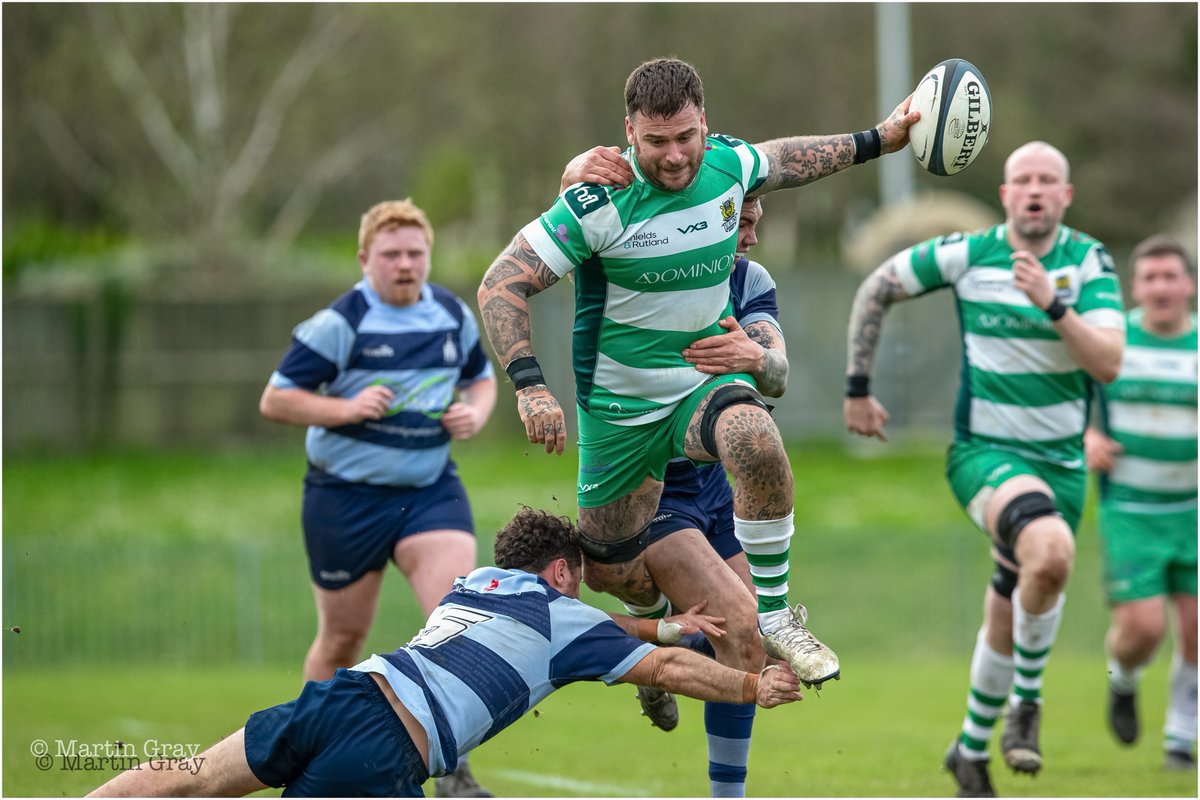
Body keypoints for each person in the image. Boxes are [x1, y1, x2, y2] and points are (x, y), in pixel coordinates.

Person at [477, 56, 918, 691]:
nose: (676, 156)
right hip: (618, 414)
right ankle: (655, 632)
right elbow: (501, 282)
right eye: (657, 142)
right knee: (611, 572)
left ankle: (775, 615)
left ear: (705, 124)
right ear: (629, 132)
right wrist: (530, 384)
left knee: (753, 435)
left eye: (687, 137)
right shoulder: (596, 204)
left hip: (695, 389)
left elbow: (790, 158)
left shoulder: (728, 166)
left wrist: (880, 138)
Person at [87, 508, 804, 798]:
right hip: (387, 750)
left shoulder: (477, 585)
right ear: (561, 571)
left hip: (344, 694)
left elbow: (594, 633)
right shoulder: (562, 617)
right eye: (578, 580)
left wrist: (663, 625)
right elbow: (658, 668)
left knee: (190, 779)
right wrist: (751, 688)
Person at [842, 141, 1125, 797]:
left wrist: (1054, 305)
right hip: (983, 456)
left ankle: (969, 752)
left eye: (1047, 180)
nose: (1033, 190)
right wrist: (857, 388)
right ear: (1004, 196)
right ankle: (1027, 706)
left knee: (1015, 596)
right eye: (1021, 179)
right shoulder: (970, 253)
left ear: (1065, 196)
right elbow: (877, 285)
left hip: (1061, 467)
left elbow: (1108, 361)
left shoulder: (1087, 261)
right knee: (1049, 553)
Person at [259, 199, 497, 797]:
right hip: (345, 498)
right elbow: (277, 399)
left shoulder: (450, 313)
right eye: (391, 254)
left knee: (457, 625)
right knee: (341, 641)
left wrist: (474, 412)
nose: (405, 264)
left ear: (428, 256)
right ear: (365, 259)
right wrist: (345, 408)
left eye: (415, 253)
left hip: (428, 491)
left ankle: (454, 767)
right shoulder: (339, 324)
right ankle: (305, 753)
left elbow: (481, 377)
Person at [567, 148, 785, 796]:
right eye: (735, 220)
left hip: (719, 486)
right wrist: (577, 167)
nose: (745, 234)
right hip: (655, 491)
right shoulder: (645, 255)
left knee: (753, 645)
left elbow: (779, 371)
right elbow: (577, 221)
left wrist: (758, 355)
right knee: (744, 635)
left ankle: (666, 657)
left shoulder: (751, 282)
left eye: (753, 221)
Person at [1084, 235, 1197, 770]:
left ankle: (1181, 735)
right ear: (1136, 287)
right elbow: (1072, 395)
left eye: (1170, 276)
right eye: (1150, 277)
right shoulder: (1113, 339)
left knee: (1195, 630)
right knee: (1145, 628)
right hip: (1130, 509)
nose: (1160, 287)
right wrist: (1088, 435)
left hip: (1193, 510)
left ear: (1189, 285)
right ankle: (1124, 679)